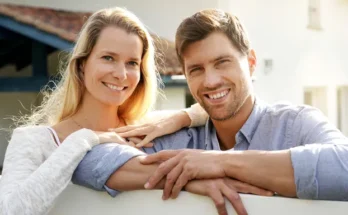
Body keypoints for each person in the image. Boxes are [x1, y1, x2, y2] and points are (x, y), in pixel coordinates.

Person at [72, 9, 348, 215]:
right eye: (197, 69)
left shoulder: (296, 124)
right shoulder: (181, 141)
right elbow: (88, 160)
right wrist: (189, 176)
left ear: (251, 63)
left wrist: (219, 163)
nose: (211, 80)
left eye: (222, 62)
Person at [0, 7, 206, 215]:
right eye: (108, 58)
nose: (121, 74)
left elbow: (223, 108)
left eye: (132, 63)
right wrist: (84, 139)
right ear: (82, 65)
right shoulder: (34, 141)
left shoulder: (148, 129)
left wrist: (183, 117)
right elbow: (11, 212)